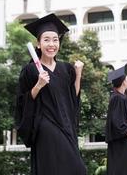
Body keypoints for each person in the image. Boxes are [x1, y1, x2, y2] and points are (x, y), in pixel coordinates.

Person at [14, 13, 87, 175]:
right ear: (38, 44)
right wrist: (38, 85)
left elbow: (73, 98)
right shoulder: (30, 70)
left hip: (66, 124)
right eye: (46, 39)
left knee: (77, 169)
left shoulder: (66, 68)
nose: (51, 44)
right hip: (46, 125)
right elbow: (22, 103)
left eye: (55, 39)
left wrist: (78, 73)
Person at [105, 63, 127, 175]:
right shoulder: (117, 98)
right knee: (123, 169)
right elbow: (116, 120)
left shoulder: (120, 97)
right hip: (121, 144)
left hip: (123, 142)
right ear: (123, 82)